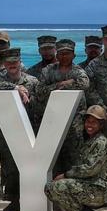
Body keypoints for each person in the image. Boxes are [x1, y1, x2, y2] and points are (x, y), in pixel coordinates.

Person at [0, 47, 40, 211]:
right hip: (7, 131)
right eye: (8, 62)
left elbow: (39, 103)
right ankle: (13, 199)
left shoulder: (32, 81)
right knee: (9, 166)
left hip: (28, 131)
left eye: (15, 62)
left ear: (20, 62)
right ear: (4, 64)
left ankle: (26, 198)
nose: (12, 65)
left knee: (27, 167)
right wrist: (15, 88)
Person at [45, 104, 107, 211]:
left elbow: (90, 169)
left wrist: (66, 175)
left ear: (101, 125)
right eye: (88, 121)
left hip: (98, 189)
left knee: (56, 187)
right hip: (88, 185)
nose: (89, 125)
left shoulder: (101, 142)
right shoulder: (88, 141)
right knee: (51, 187)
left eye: (94, 122)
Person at [34, 39, 90, 175]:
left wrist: (55, 88)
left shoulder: (78, 71)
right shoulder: (48, 70)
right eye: (61, 53)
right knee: (54, 159)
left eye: (68, 53)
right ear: (57, 55)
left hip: (74, 124)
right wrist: (59, 85)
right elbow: (39, 91)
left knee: (74, 159)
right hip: (53, 120)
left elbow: (84, 84)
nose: (64, 56)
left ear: (74, 56)